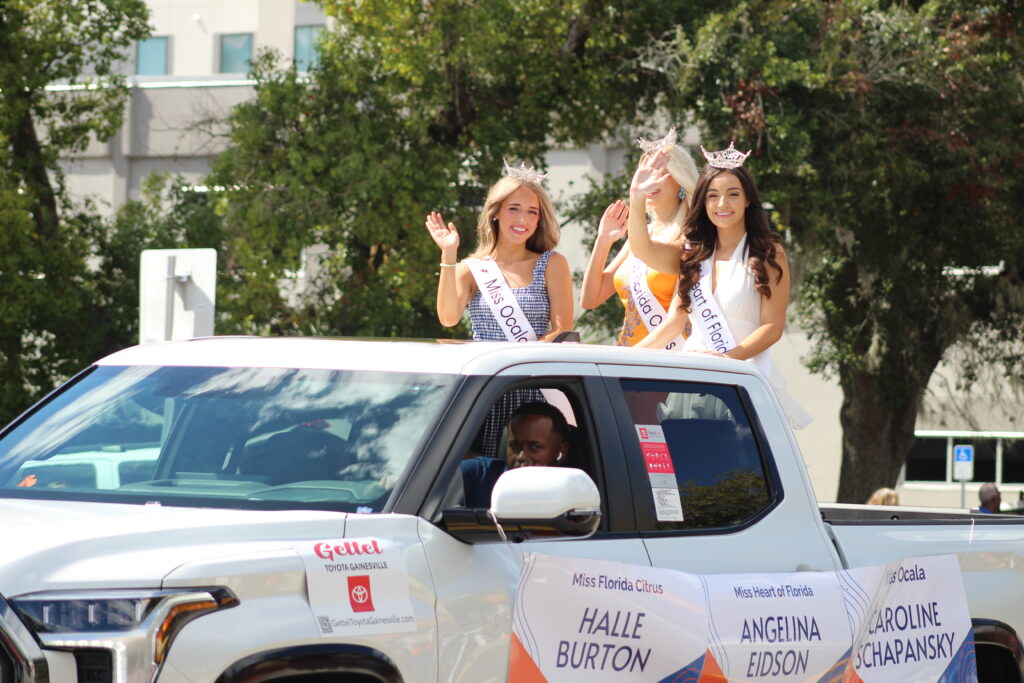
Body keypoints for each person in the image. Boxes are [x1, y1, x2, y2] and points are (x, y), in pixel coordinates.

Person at [626, 142, 812, 430]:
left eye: (732, 194)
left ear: (748, 199)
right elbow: (645, 255)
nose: (722, 204)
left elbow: (772, 327)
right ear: (703, 202)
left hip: (742, 379)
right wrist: (636, 200)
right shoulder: (693, 253)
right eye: (713, 196)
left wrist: (726, 360)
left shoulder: (766, 252)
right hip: (693, 380)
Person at [425, 159, 573, 343]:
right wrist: (448, 253)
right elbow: (448, 319)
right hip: (486, 369)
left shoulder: (552, 264)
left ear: (539, 219)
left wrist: (519, 359)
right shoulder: (472, 269)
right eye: (514, 209)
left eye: (532, 212)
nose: (523, 219)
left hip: (532, 368)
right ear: (496, 212)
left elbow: (563, 330)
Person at [579, 128, 699, 348]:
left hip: (670, 360)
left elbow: (677, 322)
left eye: (658, 172)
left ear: (680, 180)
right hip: (631, 357)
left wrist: (631, 359)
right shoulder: (643, 235)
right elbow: (590, 299)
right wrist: (603, 241)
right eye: (644, 173)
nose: (649, 181)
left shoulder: (693, 237)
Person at [460, 401, 573, 508]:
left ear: (561, 451)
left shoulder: (573, 493)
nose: (521, 456)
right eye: (515, 447)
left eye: (534, 447)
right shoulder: (477, 476)